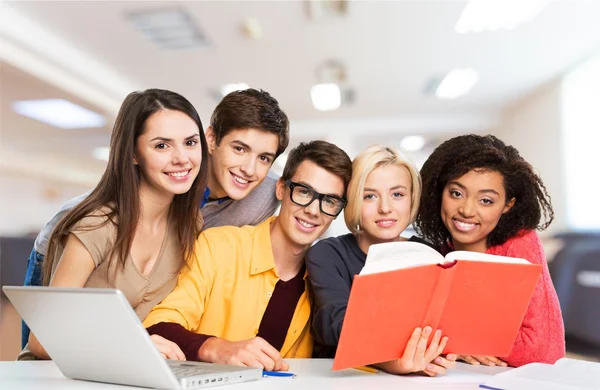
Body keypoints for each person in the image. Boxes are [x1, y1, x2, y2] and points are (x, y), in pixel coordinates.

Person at [21, 88, 290, 348]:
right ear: (211, 139)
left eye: (264, 158)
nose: (249, 168)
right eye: (240, 149)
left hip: (142, 298)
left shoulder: (258, 196)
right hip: (63, 253)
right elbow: (44, 344)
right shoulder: (98, 221)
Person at [22, 88, 209, 360]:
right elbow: (41, 342)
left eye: (190, 143)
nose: (182, 157)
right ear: (134, 154)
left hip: (123, 373)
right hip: (59, 376)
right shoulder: (98, 224)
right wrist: (132, 345)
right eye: (162, 145)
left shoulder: (190, 224)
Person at [143, 141, 353, 371]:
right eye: (304, 192)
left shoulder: (323, 282)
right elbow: (157, 327)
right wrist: (217, 348)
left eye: (330, 201)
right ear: (281, 189)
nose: (313, 210)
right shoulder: (217, 246)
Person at [414, 134, 565, 367]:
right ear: (439, 192)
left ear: (507, 205)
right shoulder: (433, 254)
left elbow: (543, 349)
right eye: (456, 193)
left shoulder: (520, 242)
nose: (466, 209)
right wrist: (459, 346)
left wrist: (454, 341)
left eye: (486, 200)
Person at [306, 145, 456, 376]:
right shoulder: (328, 254)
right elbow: (337, 326)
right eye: (370, 196)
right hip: (342, 380)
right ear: (353, 199)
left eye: (397, 194)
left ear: (412, 198)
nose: (385, 208)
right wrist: (392, 362)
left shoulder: (427, 253)